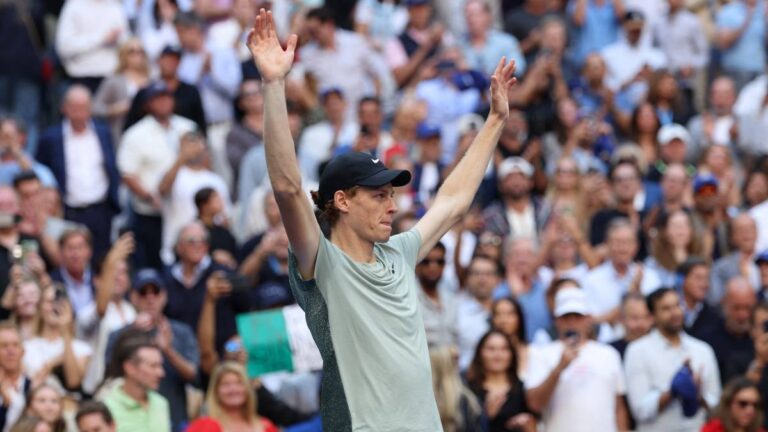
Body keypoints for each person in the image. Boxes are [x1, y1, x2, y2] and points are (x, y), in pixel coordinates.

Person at [249, 8, 517, 430]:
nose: (392, 206)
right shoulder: (323, 263)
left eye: (391, 195)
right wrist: (273, 83)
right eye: (378, 196)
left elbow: (453, 203)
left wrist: (496, 121)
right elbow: (286, 187)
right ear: (342, 201)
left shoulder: (399, 252)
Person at [106, 269, 199, 430]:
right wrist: (132, 333)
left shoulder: (181, 331)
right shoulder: (119, 334)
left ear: (164, 296)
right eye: (143, 293)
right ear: (133, 298)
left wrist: (168, 350)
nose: (150, 299)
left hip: (174, 412)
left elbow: (193, 375)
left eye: (155, 292)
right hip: (128, 414)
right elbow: (110, 372)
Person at [525, 286, 629, 431]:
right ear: (557, 320)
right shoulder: (540, 354)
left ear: (588, 319)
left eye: (577, 316)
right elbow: (535, 403)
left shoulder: (608, 354)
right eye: (566, 317)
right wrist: (559, 368)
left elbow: (619, 407)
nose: (572, 322)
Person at [35, 86, 121, 258]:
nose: (79, 113)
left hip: (101, 210)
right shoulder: (51, 138)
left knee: (102, 262)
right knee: (71, 261)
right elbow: (41, 171)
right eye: (74, 107)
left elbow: (111, 166)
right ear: (63, 108)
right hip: (68, 212)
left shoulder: (103, 132)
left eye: (83, 107)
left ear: (90, 109)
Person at [118, 81, 197, 270]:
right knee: (155, 264)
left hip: (185, 209)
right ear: (148, 104)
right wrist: (148, 196)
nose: (163, 102)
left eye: (167, 97)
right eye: (158, 99)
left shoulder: (188, 127)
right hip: (151, 213)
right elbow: (127, 174)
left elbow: (204, 160)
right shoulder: (135, 134)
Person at [624, 287, 721, 431]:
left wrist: (698, 396)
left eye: (677, 305)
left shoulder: (702, 350)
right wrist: (671, 392)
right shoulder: (637, 351)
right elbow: (640, 411)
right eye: (666, 309)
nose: (675, 313)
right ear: (652, 317)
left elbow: (717, 408)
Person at [22, 286, 92, 393]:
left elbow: (74, 382)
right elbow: (31, 384)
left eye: (60, 302)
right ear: (40, 307)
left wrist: (65, 330)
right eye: (50, 302)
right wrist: (54, 362)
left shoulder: (82, 348)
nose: (55, 307)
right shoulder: (25, 347)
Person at [54, 0, 129, 93]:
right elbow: (63, 47)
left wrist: (118, 38)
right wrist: (101, 39)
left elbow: (126, 41)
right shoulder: (74, 5)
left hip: (112, 78)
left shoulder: (115, 6)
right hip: (81, 79)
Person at [466, 330, 535, 432]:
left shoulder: (523, 389)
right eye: (491, 349)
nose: (498, 355)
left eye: (504, 349)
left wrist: (530, 426)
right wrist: (485, 416)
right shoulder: (468, 390)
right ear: (480, 353)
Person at [186, 362, 278, 432]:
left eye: (239, 383)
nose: (233, 389)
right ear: (215, 391)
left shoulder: (266, 426)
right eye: (225, 384)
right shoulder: (203, 426)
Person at [103, 339, 170, 432]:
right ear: (130, 368)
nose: (161, 373)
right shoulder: (107, 408)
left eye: (160, 366)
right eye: (153, 366)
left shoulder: (161, 403)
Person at [92, 39, 151, 145]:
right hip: (121, 132)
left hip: (148, 132)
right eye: (132, 52)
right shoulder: (114, 80)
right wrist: (114, 109)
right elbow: (95, 107)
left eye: (140, 51)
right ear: (124, 55)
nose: (137, 55)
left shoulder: (152, 80)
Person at [699, 277, 757, 382]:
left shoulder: (761, 339)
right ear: (725, 304)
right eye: (736, 308)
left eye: (748, 308)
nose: (742, 315)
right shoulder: (707, 338)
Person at [458, 255, 501, 370]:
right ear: (467, 279)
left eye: (488, 274)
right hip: (465, 379)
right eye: (476, 273)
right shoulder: (456, 313)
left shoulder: (507, 312)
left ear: (498, 279)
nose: (482, 279)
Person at [710, 214, 760, 305]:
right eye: (741, 230)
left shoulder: (765, 260)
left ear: (757, 232)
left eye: (750, 229)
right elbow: (715, 299)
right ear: (732, 237)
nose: (746, 233)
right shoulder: (720, 268)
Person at [416, 242, 459, 348]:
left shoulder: (451, 298)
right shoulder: (407, 298)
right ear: (416, 264)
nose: (433, 267)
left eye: (440, 262)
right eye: (426, 261)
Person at [50, 228, 95, 317]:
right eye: (70, 248)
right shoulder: (52, 282)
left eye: (80, 247)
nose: (75, 254)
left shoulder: (98, 279)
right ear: (61, 252)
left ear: (89, 252)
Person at [701, 377, 766, 432]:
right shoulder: (712, 429)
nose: (750, 410)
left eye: (755, 405)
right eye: (743, 404)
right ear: (728, 403)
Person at [0, 322, 31, 432]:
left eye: (15, 345)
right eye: (4, 346)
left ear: (23, 351)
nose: (10, 351)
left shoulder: (33, 385)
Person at [677, 257, 719, 339]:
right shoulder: (668, 309)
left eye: (707, 279)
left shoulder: (713, 315)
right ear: (682, 280)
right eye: (698, 278)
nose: (704, 284)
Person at [490, 297, 529, 378]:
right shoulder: (487, 353)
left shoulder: (533, 351)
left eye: (509, 314)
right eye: (498, 314)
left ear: (519, 317)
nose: (503, 320)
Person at [609, 292, 652, 358]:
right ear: (621, 319)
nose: (641, 323)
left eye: (646, 317)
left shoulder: (662, 347)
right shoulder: (610, 352)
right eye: (635, 318)